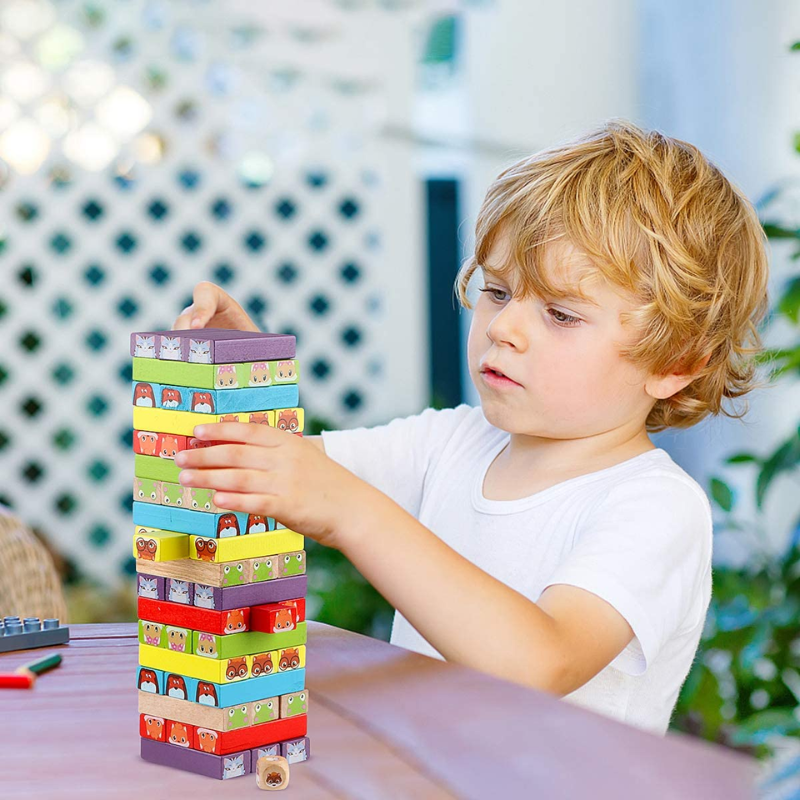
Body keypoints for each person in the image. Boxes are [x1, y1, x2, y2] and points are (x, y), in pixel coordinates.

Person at [170, 120, 770, 736]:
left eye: (561, 314)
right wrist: (241, 379)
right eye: (498, 291)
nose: (505, 327)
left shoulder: (654, 507)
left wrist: (351, 511)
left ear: (676, 363)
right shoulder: (452, 443)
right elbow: (278, 470)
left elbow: (540, 661)